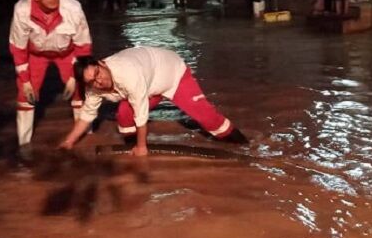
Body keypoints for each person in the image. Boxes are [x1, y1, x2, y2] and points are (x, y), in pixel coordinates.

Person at [59, 47, 248, 156]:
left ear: (101, 63)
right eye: (92, 81)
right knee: (123, 115)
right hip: (149, 83)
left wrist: (143, 147)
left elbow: (141, 113)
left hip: (173, 74)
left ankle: (244, 145)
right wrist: (69, 141)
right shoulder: (93, 88)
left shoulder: (127, 73)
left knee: (208, 119)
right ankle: (131, 148)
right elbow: (87, 115)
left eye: (98, 74)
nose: (99, 82)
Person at [9, 0, 92, 146]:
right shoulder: (21, 10)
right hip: (36, 54)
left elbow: (83, 46)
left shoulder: (73, 8)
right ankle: (23, 145)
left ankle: (87, 137)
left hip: (68, 53)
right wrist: (25, 81)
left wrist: (73, 76)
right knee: (25, 94)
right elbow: (18, 48)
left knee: (80, 88)